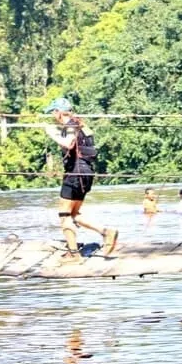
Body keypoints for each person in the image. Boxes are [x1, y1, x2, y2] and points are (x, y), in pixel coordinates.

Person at [42, 96, 118, 263]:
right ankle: (106, 232)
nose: (53, 116)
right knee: (74, 214)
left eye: (53, 113)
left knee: (64, 215)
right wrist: (56, 131)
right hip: (87, 173)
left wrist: (50, 133)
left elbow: (69, 143)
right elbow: (80, 142)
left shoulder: (71, 126)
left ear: (58, 112)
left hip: (75, 174)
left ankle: (73, 254)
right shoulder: (83, 126)